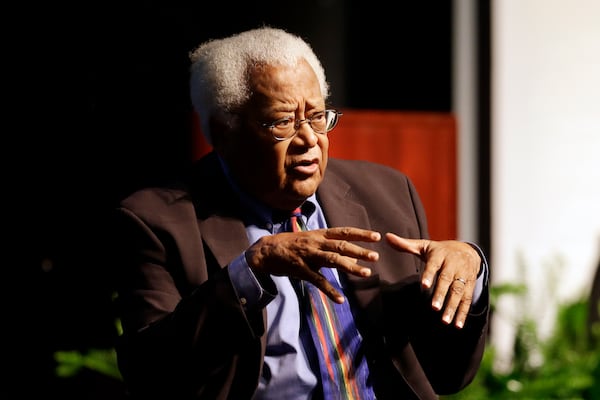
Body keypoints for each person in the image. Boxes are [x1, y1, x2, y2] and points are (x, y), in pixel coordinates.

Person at [111, 26, 490, 400]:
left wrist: (468, 270)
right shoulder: (157, 220)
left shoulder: (387, 192)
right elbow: (151, 374)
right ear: (224, 133)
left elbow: (445, 372)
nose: (309, 138)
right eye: (283, 122)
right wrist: (252, 269)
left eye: (318, 115)